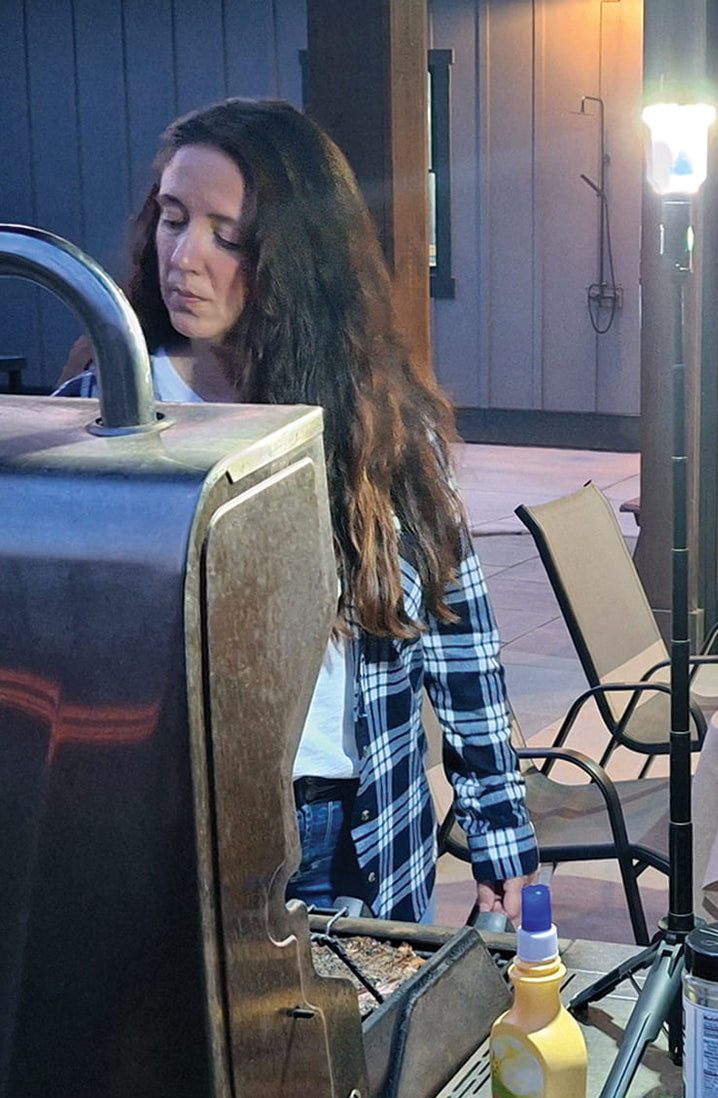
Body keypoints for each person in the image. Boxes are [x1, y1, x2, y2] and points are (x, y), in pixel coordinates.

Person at [60, 98, 538, 923]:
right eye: (172, 220)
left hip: (349, 821)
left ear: (294, 256)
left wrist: (500, 835)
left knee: (355, 1044)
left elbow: (461, 634)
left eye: (227, 236)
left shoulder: (377, 415)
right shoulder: (105, 412)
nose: (184, 257)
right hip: (167, 822)